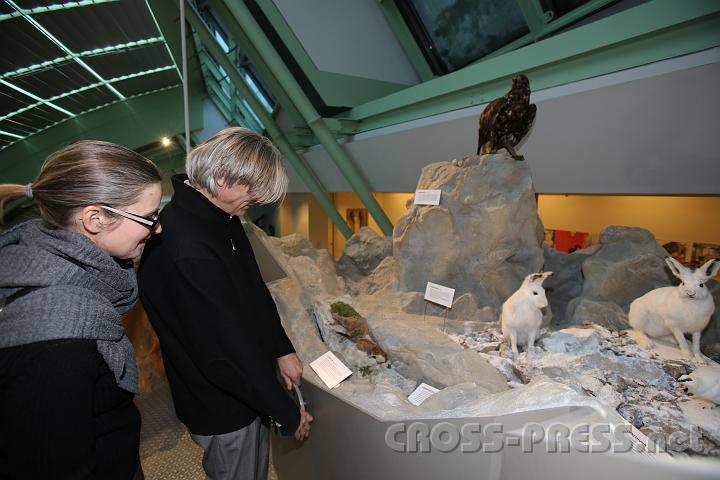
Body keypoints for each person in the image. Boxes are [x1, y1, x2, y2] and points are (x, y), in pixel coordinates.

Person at [138, 127, 312, 480]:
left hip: (250, 387)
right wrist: (286, 412)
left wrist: (282, 349)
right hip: (224, 404)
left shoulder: (222, 217)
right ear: (222, 178)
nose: (259, 200)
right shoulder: (188, 247)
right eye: (254, 190)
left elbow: (253, 291)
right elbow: (220, 353)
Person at [0, 140, 163, 479]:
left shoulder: (74, 283)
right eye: (149, 217)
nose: (157, 228)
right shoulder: (56, 338)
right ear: (95, 218)